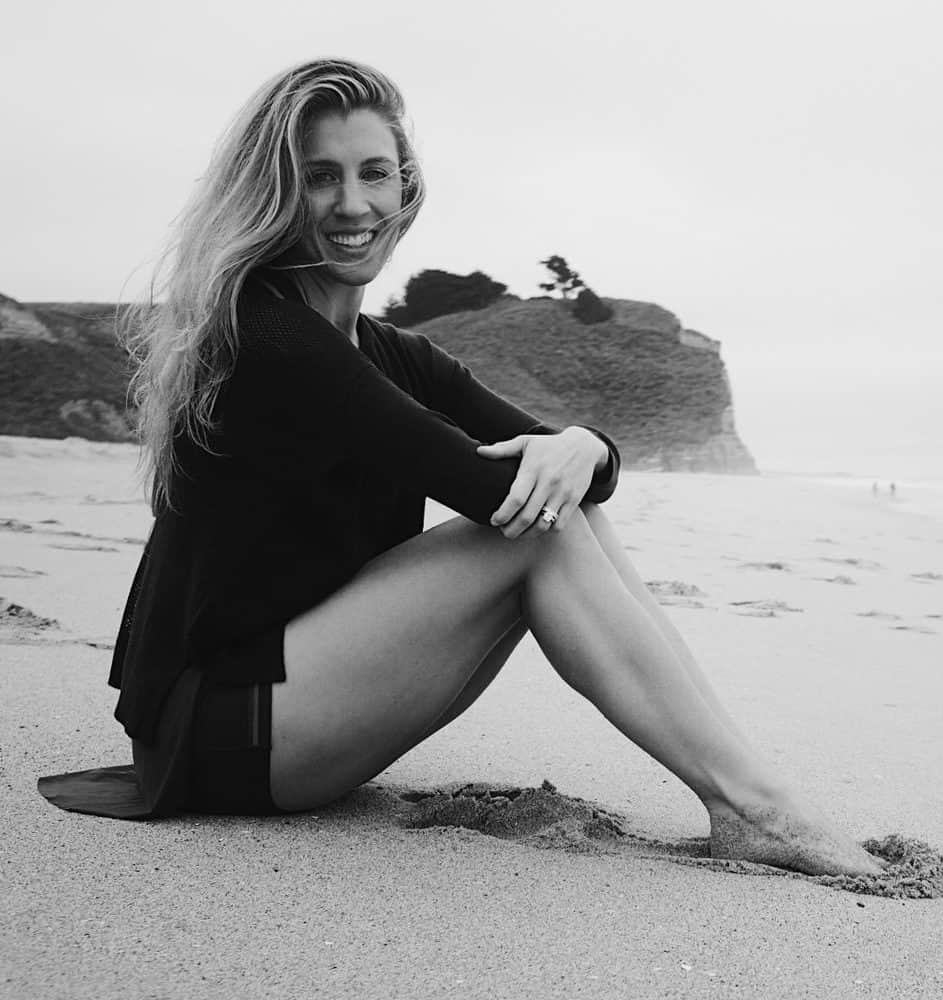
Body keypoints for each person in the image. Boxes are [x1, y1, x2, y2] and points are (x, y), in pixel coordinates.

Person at [39, 58, 881, 877]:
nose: (354, 203)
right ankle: (757, 807)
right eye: (320, 177)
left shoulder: (388, 351)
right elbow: (496, 491)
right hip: (224, 730)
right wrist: (567, 454)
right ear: (276, 193)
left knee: (563, 508)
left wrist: (584, 440)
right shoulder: (268, 335)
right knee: (535, 527)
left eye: (375, 172)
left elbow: (575, 474)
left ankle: (753, 795)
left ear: (406, 185)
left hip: (298, 702)